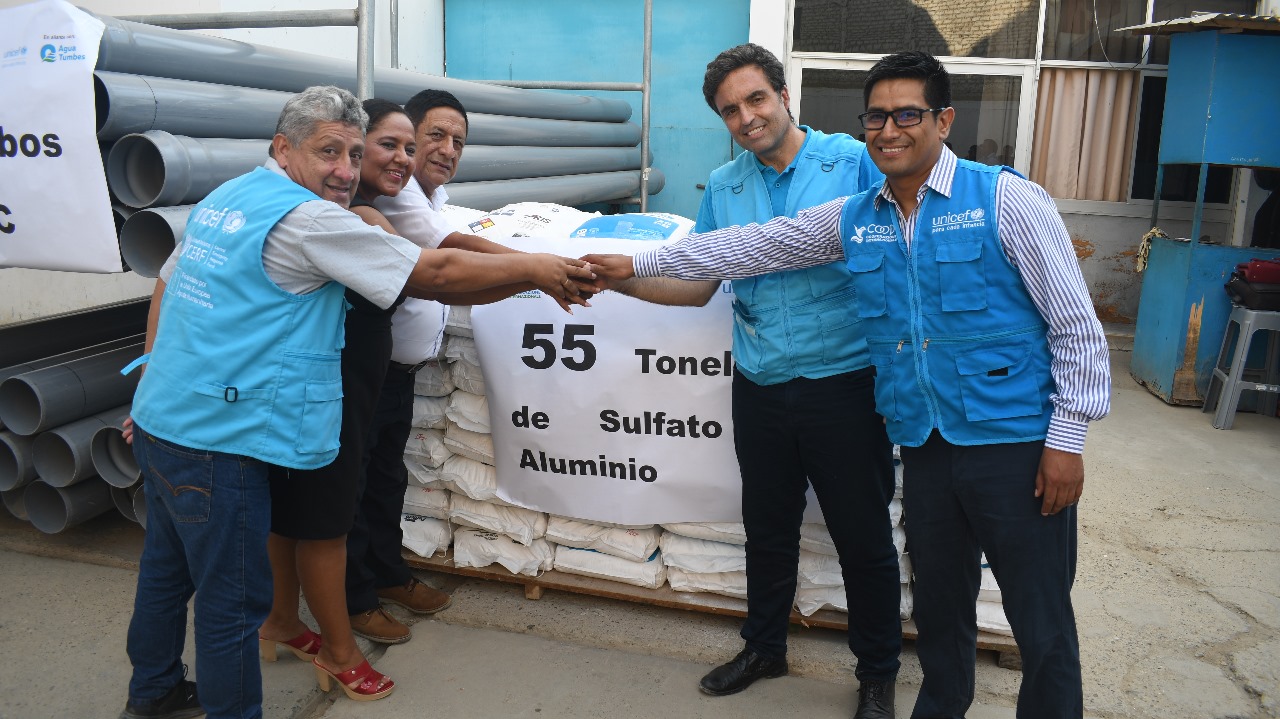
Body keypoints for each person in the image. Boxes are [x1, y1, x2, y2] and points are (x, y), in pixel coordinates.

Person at [585, 50, 1111, 719]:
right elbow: (744, 248)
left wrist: (1066, 440)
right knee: (942, 613)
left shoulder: (1005, 198)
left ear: (943, 119)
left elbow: (1077, 330)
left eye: (907, 115)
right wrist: (632, 260)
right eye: (877, 117)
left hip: (1010, 442)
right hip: (924, 441)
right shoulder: (856, 215)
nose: (890, 131)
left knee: (1040, 622)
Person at [119, 85, 594, 719]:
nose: (345, 171)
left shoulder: (232, 197)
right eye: (328, 153)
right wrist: (537, 270)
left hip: (162, 421)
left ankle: (152, 692)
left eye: (351, 151)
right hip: (216, 438)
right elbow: (437, 275)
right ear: (283, 149)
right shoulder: (310, 220)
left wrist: (150, 378)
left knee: (166, 574)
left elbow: (167, 283)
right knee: (234, 602)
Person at [588, 43, 900, 718]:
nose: (746, 117)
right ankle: (764, 647)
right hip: (758, 382)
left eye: (756, 99)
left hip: (843, 380)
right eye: (730, 110)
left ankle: (877, 670)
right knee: (767, 524)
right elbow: (697, 284)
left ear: (786, 97)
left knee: (862, 534)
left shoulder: (852, 161)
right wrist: (617, 284)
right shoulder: (726, 187)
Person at [340, 89, 542, 645]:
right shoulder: (380, 206)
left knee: (386, 480)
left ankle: (387, 575)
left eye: (457, 141)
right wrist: (541, 269)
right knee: (353, 490)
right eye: (430, 136)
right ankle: (354, 598)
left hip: (398, 370)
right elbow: (444, 267)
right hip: (359, 373)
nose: (439, 150)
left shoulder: (425, 195)